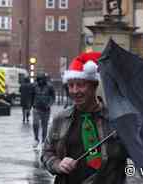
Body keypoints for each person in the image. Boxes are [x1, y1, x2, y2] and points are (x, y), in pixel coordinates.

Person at [41, 52, 128, 184]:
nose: (75, 91)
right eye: (71, 86)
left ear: (94, 86)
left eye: (81, 85)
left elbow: (134, 155)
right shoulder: (61, 118)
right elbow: (47, 152)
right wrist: (58, 164)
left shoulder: (116, 119)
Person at [31, 73, 55, 149]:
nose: (40, 81)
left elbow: (53, 97)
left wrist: (49, 104)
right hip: (36, 108)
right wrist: (32, 104)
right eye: (39, 79)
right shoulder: (34, 86)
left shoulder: (50, 86)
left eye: (42, 79)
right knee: (35, 123)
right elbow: (32, 95)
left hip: (46, 109)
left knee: (44, 126)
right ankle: (36, 139)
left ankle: (43, 140)